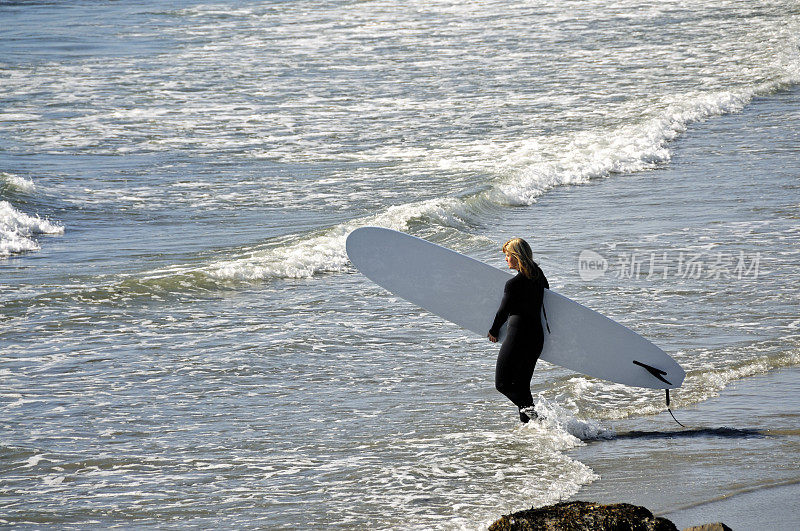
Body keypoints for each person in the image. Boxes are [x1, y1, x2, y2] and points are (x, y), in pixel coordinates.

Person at [487, 238, 549, 423]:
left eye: (507, 255)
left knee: (502, 384)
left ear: (516, 256)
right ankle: (530, 427)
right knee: (522, 386)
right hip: (536, 338)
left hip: (518, 337)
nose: (505, 259)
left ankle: (538, 419)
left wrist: (494, 331)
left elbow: (503, 312)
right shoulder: (539, 276)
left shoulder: (513, 284)